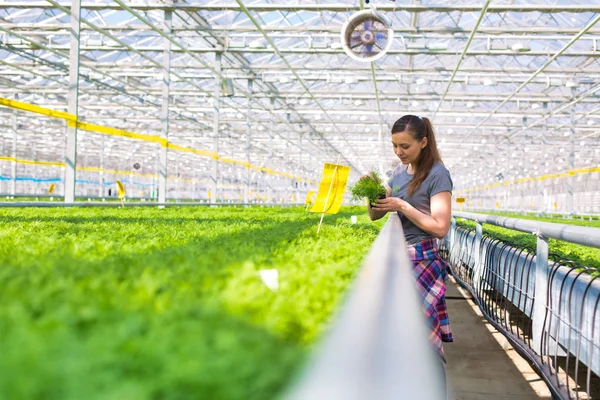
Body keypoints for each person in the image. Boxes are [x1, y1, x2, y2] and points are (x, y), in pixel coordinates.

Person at [367, 114, 454, 363]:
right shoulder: (400, 171)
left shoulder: (438, 175)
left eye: (405, 146)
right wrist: (372, 192)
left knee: (423, 342)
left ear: (423, 142)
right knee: (404, 337)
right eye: (395, 145)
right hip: (399, 257)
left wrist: (402, 206)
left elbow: (440, 227)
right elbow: (375, 214)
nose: (398, 151)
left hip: (422, 260)